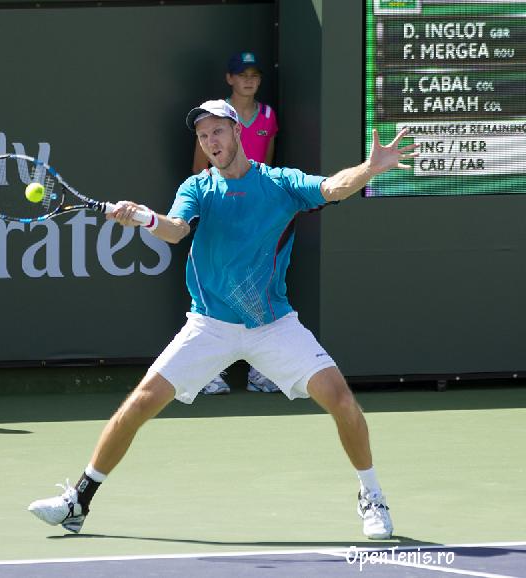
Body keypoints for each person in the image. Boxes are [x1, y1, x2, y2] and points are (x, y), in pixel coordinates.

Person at [28, 99, 417, 540]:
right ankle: (78, 501)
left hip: (272, 324)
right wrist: (146, 218)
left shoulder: (280, 183)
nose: (210, 141)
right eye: (202, 136)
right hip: (209, 325)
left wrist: (369, 169)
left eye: (217, 131)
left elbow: (332, 188)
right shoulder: (198, 188)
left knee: (341, 399)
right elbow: (175, 229)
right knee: (138, 404)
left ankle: (372, 495)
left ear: (237, 132)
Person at [194, 51, 281, 395]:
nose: (249, 80)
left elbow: (265, 169)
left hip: (257, 215)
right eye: (242, 74)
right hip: (221, 209)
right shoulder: (213, 117)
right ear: (230, 78)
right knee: (215, 289)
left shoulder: (268, 116)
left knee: (260, 286)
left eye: (254, 75)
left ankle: (260, 372)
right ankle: (208, 372)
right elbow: (199, 169)